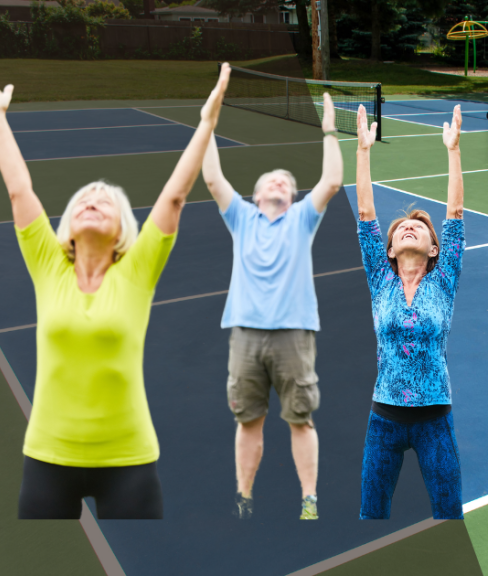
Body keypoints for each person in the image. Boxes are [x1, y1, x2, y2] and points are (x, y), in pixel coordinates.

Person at [0, 57, 232, 519]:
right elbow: (18, 189)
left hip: (129, 461)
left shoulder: (139, 269)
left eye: (105, 201)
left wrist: (207, 122)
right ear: (66, 226)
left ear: (122, 229)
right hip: (48, 458)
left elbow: (174, 195)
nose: (92, 201)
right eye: (83, 200)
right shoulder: (47, 262)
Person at [201, 93, 344, 520]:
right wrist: (208, 122)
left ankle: (309, 500)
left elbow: (332, 182)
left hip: (294, 334)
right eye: (271, 179)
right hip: (244, 333)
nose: (280, 181)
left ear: (294, 196)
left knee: (300, 420)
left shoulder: (303, 218)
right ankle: (244, 498)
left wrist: (330, 130)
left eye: (287, 181)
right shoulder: (240, 217)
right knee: (248, 421)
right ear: (256, 193)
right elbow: (211, 177)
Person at [354, 104, 465, 520]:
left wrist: (453, 151)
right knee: (372, 514)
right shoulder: (381, 279)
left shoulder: (443, 280)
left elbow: (454, 217)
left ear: (434, 249)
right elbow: (366, 215)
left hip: (435, 420)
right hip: (383, 419)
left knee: (449, 514)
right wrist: (363, 152)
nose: (408, 226)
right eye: (401, 227)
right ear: (388, 251)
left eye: (419, 226)